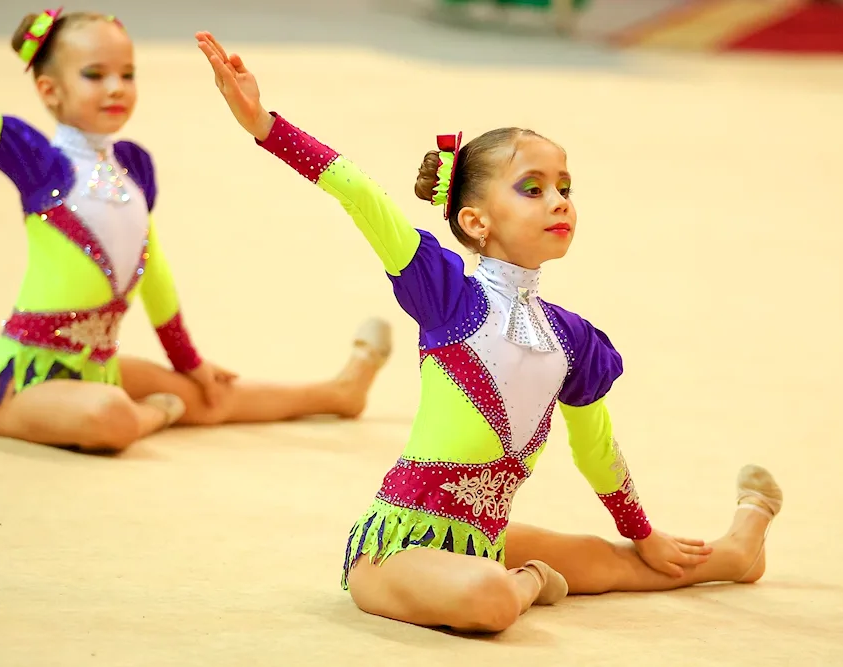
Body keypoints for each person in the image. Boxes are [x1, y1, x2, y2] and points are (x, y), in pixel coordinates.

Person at [196, 31, 785, 634]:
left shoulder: (573, 339)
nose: (558, 200)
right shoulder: (447, 295)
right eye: (532, 188)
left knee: (622, 562)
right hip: (399, 549)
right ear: (474, 221)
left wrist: (641, 532)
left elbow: (596, 450)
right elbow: (360, 194)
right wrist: (263, 123)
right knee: (491, 599)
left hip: (486, 539)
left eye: (564, 187)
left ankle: (738, 549)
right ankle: (533, 581)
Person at [0, 9, 393, 454]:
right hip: (23, 384)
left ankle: (339, 391)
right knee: (110, 415)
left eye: (127, 73)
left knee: (208, 393)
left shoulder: (132, 168)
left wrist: (189, 363)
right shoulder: (39, 164)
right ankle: (153, 416)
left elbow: (153, 271)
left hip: (95, 367)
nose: (116, 87)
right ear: (50, 90)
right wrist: (161, 405)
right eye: (95, 75)